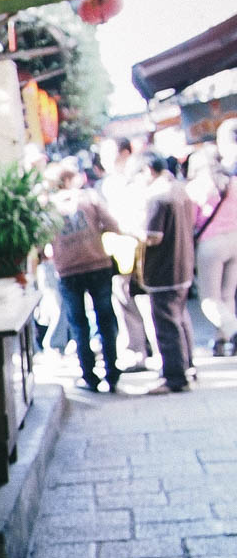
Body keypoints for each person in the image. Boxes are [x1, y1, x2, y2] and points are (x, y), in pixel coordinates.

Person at [43, 164, 122, 390]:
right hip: (98, 264)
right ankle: (112, 372)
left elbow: (43, 244)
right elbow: (112, 224)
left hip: (68, 272)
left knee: (79, 324)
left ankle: (89, 375)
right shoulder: (89, 198)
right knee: (106, 319)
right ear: (68, 179)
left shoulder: (49, 208)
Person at [136, 149, 197, 393]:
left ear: (148, 170)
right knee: (180, 320)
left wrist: (132, 231)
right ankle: (186, 367)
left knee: (167, 325)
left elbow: (153, 237)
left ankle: (174, 377)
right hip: (182, 266)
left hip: (164, 270)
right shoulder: (180, 189)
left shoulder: (158, 196)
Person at [96, 136, 153, 372]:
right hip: (121, 252)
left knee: (144, 302)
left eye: (108, 154)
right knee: (125, 300)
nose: (104, 160)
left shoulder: (137, 181)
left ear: (125, 153)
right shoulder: (109, 184)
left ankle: (148, 351)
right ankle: (136, 350)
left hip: (141, 250)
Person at [188, 144, 237, 356]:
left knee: (209, 299)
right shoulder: (233, 183)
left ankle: (233, 331)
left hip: (211, 244)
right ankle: (222, 340)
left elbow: (190, 221)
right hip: (235, 239)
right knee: (227, 295)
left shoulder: (197, 187)